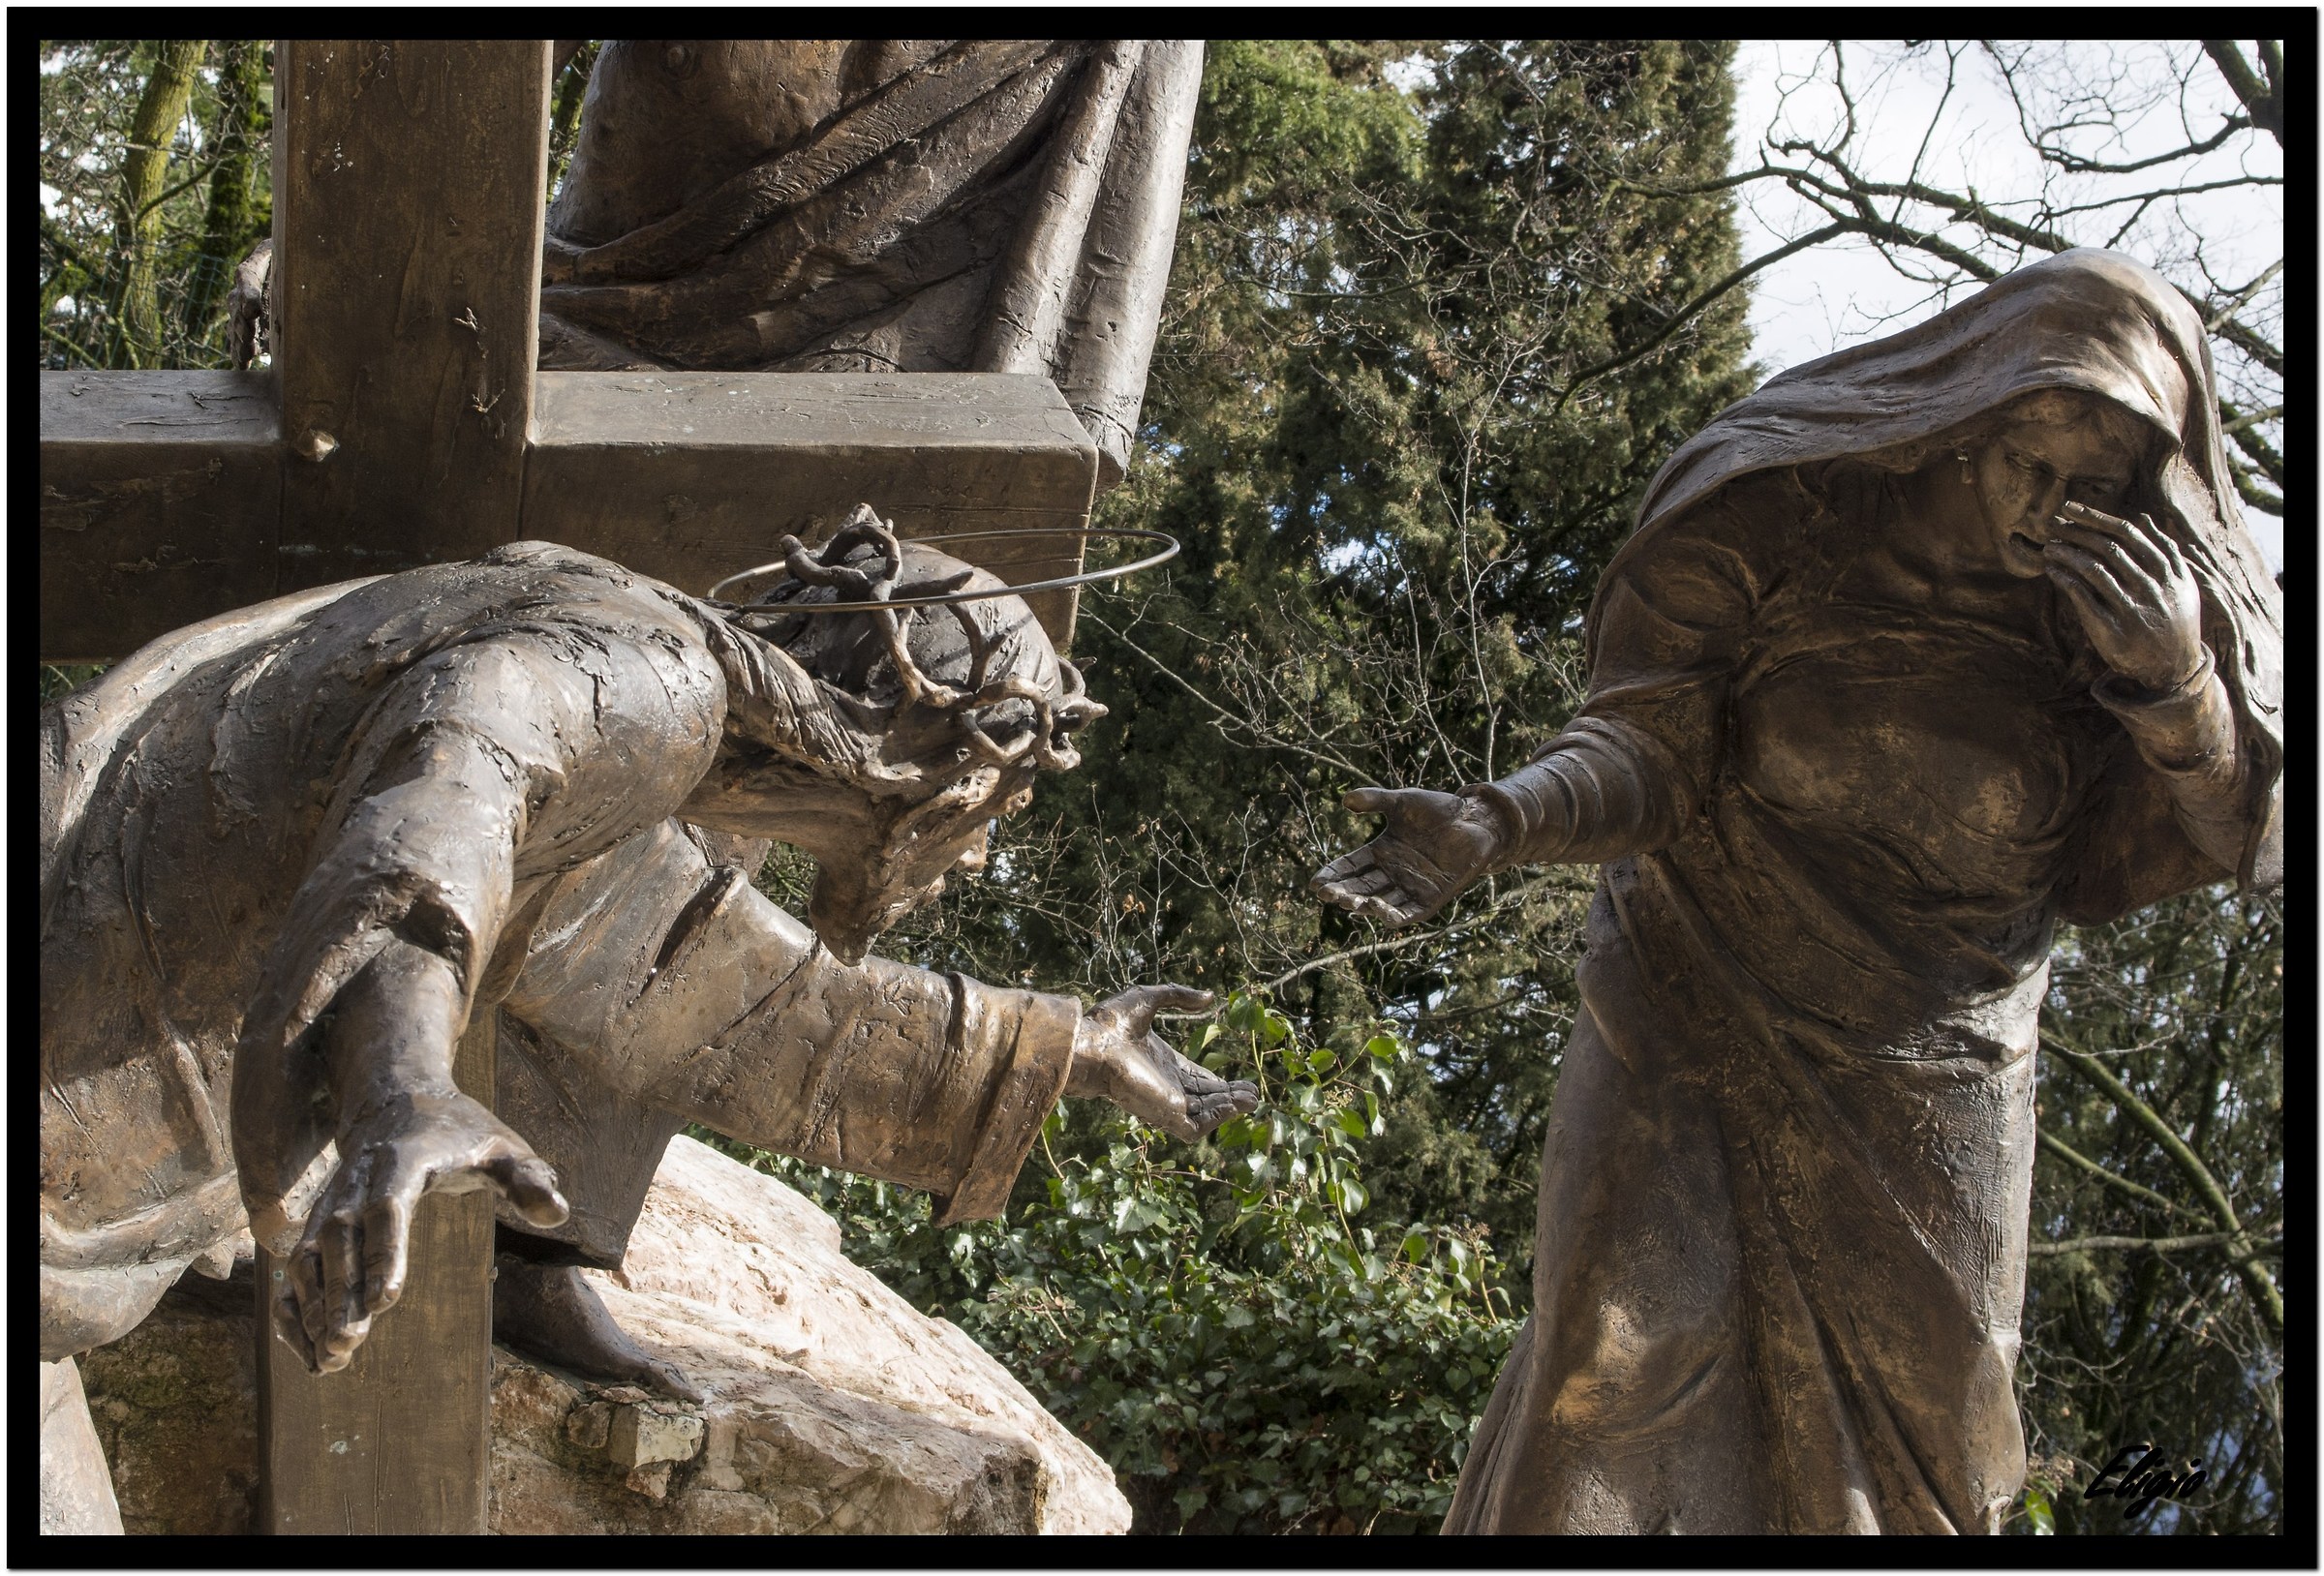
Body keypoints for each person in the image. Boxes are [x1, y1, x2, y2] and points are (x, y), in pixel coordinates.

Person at [1311, 249, 2282, 1534]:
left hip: (1939, 1063)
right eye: (2024, 467)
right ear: (1965, 414)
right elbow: (1649, 745)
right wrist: (1500, 819)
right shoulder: (1779, 516)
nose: (2047, 511)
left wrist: (2176, 690)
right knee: (1609, 1364)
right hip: (1689, 991)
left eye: (2089, 488)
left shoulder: (2122, 619)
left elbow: (2255, 836)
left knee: (1936, 1458)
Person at [40, 513, 1254, 1526]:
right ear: (924, 739)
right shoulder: (650, 681)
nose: (981, 854)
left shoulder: (637, 716)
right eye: (995, 799)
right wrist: (405, 1081)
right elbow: (453, 779)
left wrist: (1071, 1049)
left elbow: (727, 1002)